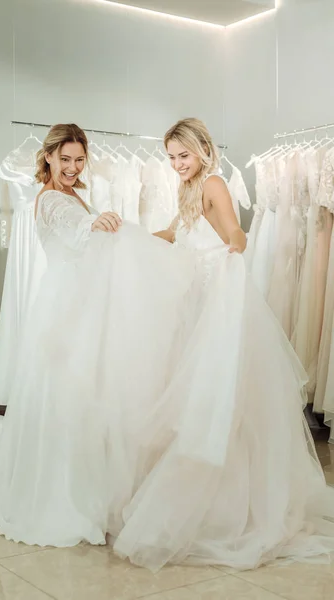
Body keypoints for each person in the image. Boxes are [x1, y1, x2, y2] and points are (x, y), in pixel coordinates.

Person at [114, 118, 334, 571]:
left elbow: (236, 230)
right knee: (198, 389)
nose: (177, 164)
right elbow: (176, 233)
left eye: (184, 155)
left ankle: (232, 498)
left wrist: (235, 249)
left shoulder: (213, 182)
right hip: (199, 293)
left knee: (221, 392)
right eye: (172, 157)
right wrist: (130, 239)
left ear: (203, 151)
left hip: (220, 289)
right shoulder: (189, 188)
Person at [0, 124, 192, 546]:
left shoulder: (72, 194)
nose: (71, 167)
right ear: (48, 157)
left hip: (76, 302)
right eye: (64, 159)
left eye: (78, 159)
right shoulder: (51, 198)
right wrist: (97, 224)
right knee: (69, 402)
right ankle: (65, 500)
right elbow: (75, 235)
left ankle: (88, 494)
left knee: (82, 404)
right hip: (66, 310)